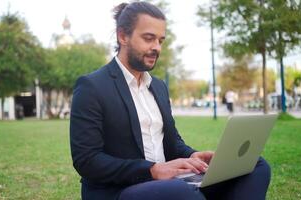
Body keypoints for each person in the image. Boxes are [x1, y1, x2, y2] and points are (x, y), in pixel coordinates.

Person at [70, 2, 271, 200]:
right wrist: (152, 170)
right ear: (123, 36)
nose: (156, 47)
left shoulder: (158, 87)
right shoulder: (92, 87)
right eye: (149, 39)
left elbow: (172, 142)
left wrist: (193, 155)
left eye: (160, 41)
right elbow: (86, 160)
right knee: (179, 191)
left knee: (255, 165)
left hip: (169, 184)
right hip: (120, 190)